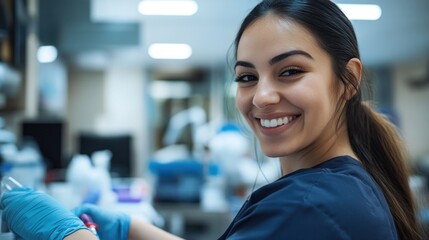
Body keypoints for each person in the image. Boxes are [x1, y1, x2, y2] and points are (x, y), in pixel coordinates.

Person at [0, 0, 422, 239]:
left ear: (347, 80)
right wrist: (133, 230)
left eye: (290, 71)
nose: (262, 96)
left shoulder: (312, 207)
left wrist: (66, 236)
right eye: (246, 77)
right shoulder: (335, 188)